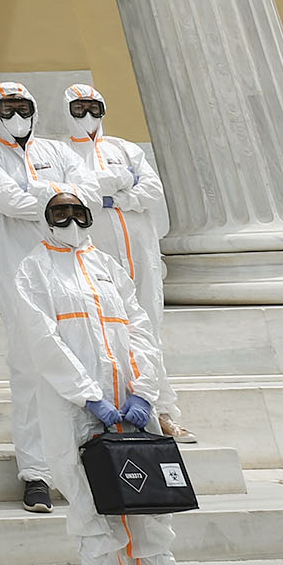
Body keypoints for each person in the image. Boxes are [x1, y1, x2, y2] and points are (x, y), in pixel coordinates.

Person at [7, 188, 189, 565]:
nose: (69, 219)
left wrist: (144, 391)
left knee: (151, 513)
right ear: (45, 217)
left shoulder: (107, 265)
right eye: (59, 212)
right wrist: (90, 397)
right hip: (75, 409)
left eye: (77, 211)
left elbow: (140, 329)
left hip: (131, 405)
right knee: (94, 513)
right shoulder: (34, 269)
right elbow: (44, 341)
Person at [0, 79, 78, 515]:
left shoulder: (58, 151)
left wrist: (49, 198)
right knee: (29, 370)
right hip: (20, 275)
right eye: (7, 108)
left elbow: (87, 193)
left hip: (70, 270)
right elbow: (9, 201)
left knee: (80, 362)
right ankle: (36, 472)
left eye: (23, 107)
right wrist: (59, 198)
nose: (16, 115)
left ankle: (79, 464)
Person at [58, 83, 183, 438]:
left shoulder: (125, 149)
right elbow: (78, 192)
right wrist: (124, 181)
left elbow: (152, 190)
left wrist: (115, 199)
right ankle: (112, 410)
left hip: (140, 253)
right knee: (106, 334)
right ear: (67, 111)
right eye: (79, 108)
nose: (87, 115)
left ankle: (162, 408)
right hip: (98, 255)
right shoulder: (63, 153)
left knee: (149, 330)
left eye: (94, 107)